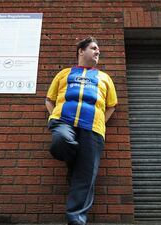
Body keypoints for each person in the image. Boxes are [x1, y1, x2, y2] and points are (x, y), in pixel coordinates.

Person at [45, 36, 118, 225]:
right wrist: (55, 116)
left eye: (98, 50)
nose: (98, 52)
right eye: (94, 48)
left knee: (85, 178)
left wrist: (101, 122)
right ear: (81, 51)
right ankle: (74, 162)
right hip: (64, 122)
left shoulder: (104, 78)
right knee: (61, 140)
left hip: (93, 129)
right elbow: (49, 99)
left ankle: (76, 219)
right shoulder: (64, 74)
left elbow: (111, 105)